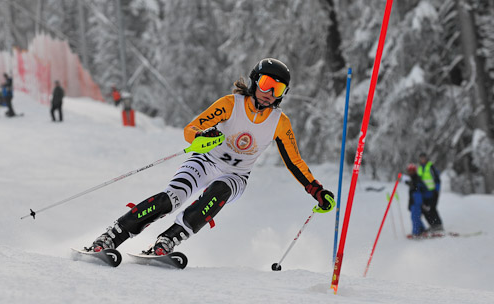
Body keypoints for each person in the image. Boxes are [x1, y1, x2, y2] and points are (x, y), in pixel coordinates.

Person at [87, 58, 335, 256]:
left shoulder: (280, 123)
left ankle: (169, 239)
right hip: (204, 162)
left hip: (236, 176)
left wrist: (316, 190)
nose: (269, 92)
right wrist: (200, 137)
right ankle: (113, 235)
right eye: (266, 83)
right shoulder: (230, 104)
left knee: (219, 191)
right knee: (170, 199)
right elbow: (190, 129)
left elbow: (295, 161)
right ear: (255, 81)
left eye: (278, 88)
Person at [417, 152, 443, 231]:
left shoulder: (430, 166)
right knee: (425, 210)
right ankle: (432, 225)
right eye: (421, 158)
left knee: (432, 208)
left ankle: (438, 225)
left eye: (424, 158)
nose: (422, 159)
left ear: (426, 158)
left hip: (433, 192)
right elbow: (418, 180)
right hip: (424, 193)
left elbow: (437, 179)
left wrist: (437, 190)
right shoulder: (420, 168)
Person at [405, 163, 427, 238]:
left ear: (415, 171)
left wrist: (413, 185)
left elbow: (419, 187)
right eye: (409, 171)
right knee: (414, 216)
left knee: (415, 216)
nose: (410, 172)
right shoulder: (413, 179)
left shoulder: (417, 178)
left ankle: (416, 232)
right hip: (413, 200)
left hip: (417, 200)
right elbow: (412, 186)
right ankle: (422, 229)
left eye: (412, 171)